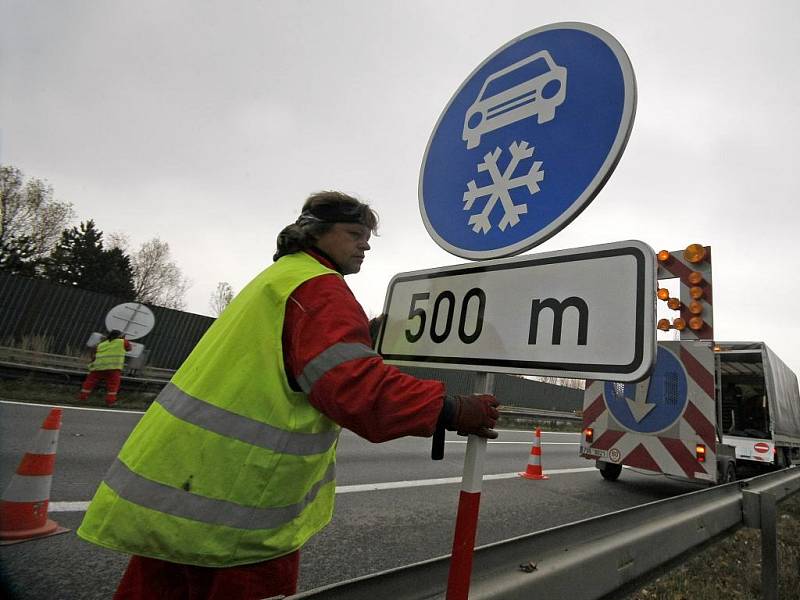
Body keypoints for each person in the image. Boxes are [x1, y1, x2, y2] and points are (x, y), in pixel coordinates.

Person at [76, 191, 500, 599]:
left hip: (182, 490)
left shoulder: (278, 279)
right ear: (316, 232)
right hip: (239, 503)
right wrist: (448, 408)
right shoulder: (320, 287)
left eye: (368, 239)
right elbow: (352, 385)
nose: (365, 247)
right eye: (354, 235)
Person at [78, 329, 132, 406]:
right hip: (113, 368)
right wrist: (123, 339)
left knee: (89, 383)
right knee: (113, 385)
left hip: (98, 367)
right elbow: (129, 349)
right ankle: (110, 402)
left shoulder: (101, 344)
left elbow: (93, 355)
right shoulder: (122, 342)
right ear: (119, 336)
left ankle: (82, 398)